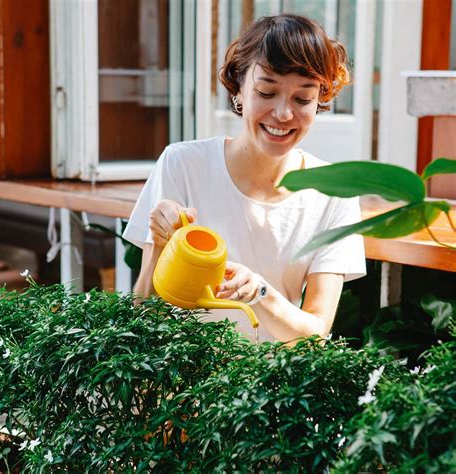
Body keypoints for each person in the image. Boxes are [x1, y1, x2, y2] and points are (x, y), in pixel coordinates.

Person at [123, 13, 366, 343]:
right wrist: (160, 243)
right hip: (186, 386)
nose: (283, 114)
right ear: (239, 88)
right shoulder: (183, 164)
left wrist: (260, 292)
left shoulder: (334, 193)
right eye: (266, 92)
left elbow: (315, 334)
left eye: (303, 99)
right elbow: (145, 310)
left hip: (271, 390)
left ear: (320, 99)